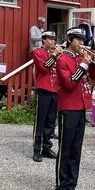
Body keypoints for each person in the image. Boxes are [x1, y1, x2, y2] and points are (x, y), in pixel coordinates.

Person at [53, 27, 95, 190]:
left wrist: (91, 62)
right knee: (65, 149)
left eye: (83, 40)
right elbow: (70, 84)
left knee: (76, 150)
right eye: (78, 40)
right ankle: (60, 188)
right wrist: (84, 65)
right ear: (70, 40)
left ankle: (71, 185)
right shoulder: (62, 59)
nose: (81, 43)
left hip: (80, 107)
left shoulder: (80, 59)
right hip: (68, 108)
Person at [32, 30, 62, 162]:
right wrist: (55, 55)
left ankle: (46, 147)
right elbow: (44, 67)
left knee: (50, 121)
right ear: (44, 40)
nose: (53, 41)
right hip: (43, 89)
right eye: (50, 39)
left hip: (55, 90)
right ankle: (37, 149)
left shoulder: (55, 54)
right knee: (40, 121)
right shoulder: (38, 52)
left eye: (54, 39)